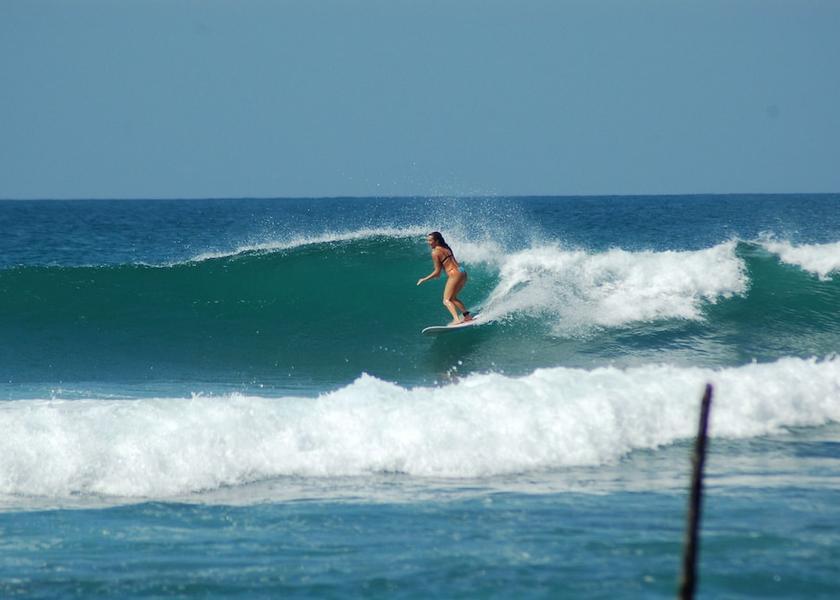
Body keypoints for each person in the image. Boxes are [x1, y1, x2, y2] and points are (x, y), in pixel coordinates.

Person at [416, 231, 474, 324]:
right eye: (428, 240)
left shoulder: (435, 252)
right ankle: (467, 316)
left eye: (430, 240)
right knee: (453, 298)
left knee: (446, 300)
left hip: (454, 274)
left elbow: (437, 272)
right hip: (462, 271)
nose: (429, 242)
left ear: (437, 241)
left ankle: (456, 319)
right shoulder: (446, 247)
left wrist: (424, 279)